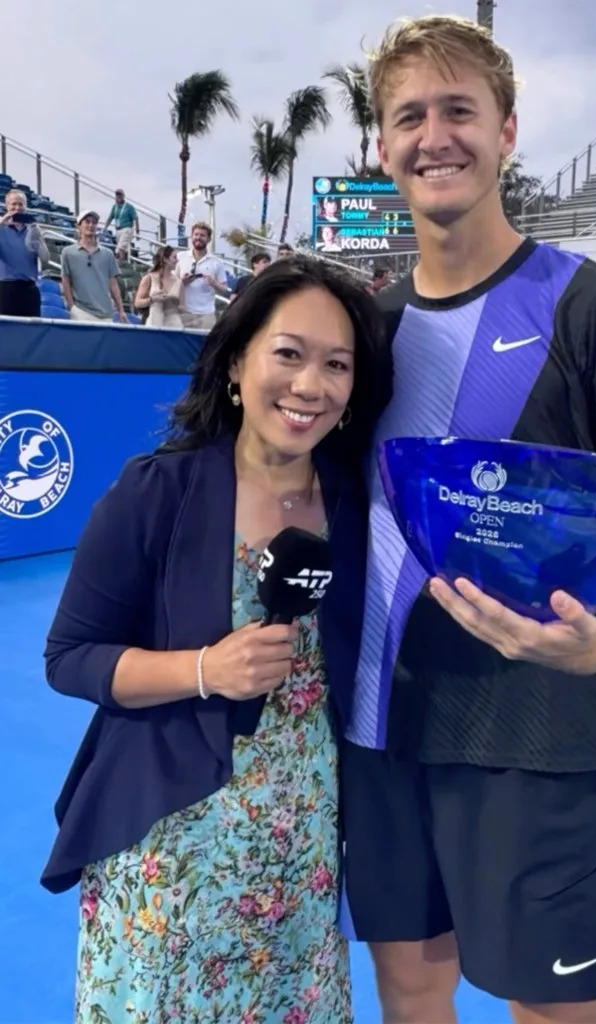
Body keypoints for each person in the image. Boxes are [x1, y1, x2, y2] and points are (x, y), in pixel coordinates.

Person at [340, 15, 596, 1024]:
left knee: (552, 1011)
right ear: (381, 146)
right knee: (411, 990)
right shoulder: (367, 330)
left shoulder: (593, 304)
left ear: (507, 131)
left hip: (537, 727)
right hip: (381, 723)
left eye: (460, 111)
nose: (434, 135)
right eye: (410, 116)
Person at [40, 255, 392, 1023]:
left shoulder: (357, 498)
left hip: (302, 838)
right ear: (238, 361)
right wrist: (205, 668)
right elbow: (70, 658)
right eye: (288, 354)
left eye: (337, 365)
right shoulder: (154, 492)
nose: (310, 385)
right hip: (172, 839)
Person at [61, 210, 127, 323]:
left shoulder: (108, 254)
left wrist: (121, 310)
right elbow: (66, 281)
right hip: (81, 312)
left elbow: (113, 284)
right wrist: (72, 307)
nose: (91, 225)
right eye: (87, 222)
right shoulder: (68, 252)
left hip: (106, 314)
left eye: (94, 222)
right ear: (79, 226)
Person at [0, 188, 50, 317]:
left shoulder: (33, 231)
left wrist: (39, 239)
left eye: (21, 204)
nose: (17, 208)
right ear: (7, 206)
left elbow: (45, 259)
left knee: (31, 333)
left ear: (26, 206)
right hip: (6, 288)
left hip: (30, 288)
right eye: (14, 204)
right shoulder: (1, 228)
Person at [177, 221, 229, 330]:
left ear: (208, 239)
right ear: (191, 236)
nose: (198, 238)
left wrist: (214, 283)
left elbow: (224, 289)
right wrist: (182, 282)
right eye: (196, 234)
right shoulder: (180, 257)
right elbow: (171, 284)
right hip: (183, 313)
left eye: (202, 235)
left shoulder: (216, 262)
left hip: (207, 315)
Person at [134, 245, 183, 328]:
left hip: (173, 324)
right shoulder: (149, 278)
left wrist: (174, 301)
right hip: (153, 322)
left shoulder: (179, 281)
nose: (177, 261)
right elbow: (137, 303)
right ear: (165, 259)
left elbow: (183, 307)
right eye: (174, 257)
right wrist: (153, 299)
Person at [104, 189, 140, 261]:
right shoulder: (115, 207)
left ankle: (117, 267)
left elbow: (136, 218)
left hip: (127, 229)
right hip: (118, 230)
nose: (118, 197)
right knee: (124, 249)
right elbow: (110, 218)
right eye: (117, 195)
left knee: (119, 249)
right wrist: (105, 228)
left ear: (123, 196)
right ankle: (124, 263)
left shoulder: (129, 207)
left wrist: (137, 232)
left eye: (120, 195)